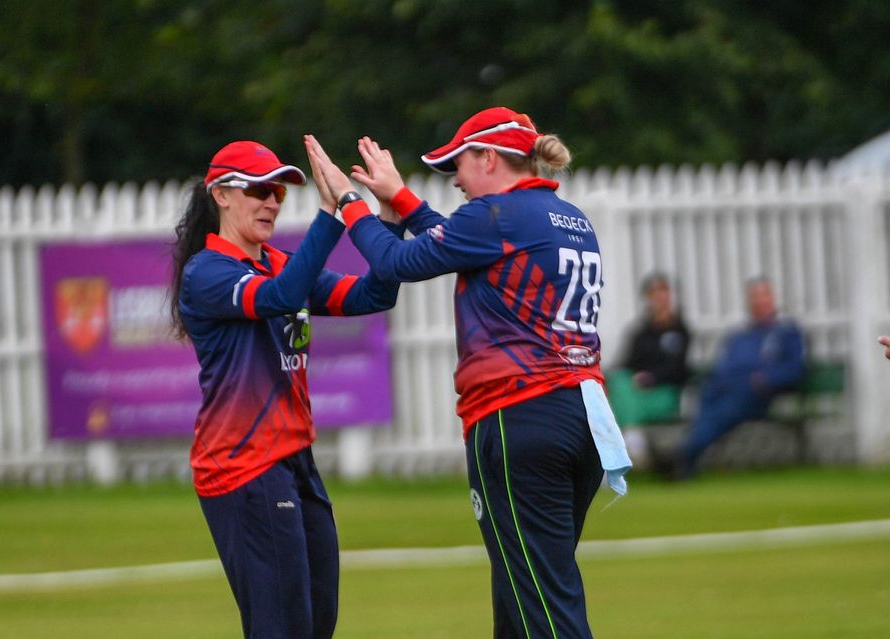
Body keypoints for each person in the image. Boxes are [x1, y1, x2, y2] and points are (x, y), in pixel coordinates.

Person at [305, 106, 631, 639]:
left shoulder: (496, 217)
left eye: (458, 162)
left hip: (519, 420)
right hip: (583, 420)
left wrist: (350, 204)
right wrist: (400, 200)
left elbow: (395, 264)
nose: (454, 177)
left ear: (488, 156)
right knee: (523, 591)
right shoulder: (566, 216)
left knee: (542, 607)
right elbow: (458, 242)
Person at [169, 140, 401, 639]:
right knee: (282, 627)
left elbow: (374, 293)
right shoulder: (207, 272)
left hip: (294, 460)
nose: (272, 201)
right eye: (259, 189)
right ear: (221, 195)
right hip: (242, 465)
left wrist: (388, 215)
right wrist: (332, 213)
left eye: (278, 191)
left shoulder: (278, 262)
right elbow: (279, 297)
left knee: (318, 622)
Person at [676, 277, 805, 478]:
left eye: (763, 296)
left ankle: (685, 455)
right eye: (755, 297)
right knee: (707, 399)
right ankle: (688, 454)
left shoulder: (785, 333)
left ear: (772, 299)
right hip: (727, 388)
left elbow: (794, 369)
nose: (759, 302)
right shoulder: (739, 336)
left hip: (758, 394)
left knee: (722, 412)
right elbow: (723, 366)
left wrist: (765, 380)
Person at [607, 273, 691, 467]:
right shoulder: (640, 332)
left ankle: (624, 443)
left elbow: (678, 369)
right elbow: (625, 363)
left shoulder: (680, 331)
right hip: (636, 394)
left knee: (622, 399)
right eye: (654, 293)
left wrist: (651, 378)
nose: (660, 298)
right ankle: (632, 436)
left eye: (663, 291)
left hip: (665, 394)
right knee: (618, 381)